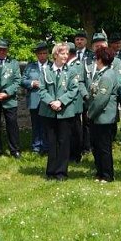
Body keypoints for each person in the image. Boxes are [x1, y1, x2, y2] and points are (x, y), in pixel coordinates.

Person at [39, 42, 81, 180]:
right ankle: (51, 171)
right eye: (63, 53)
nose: (65, 56)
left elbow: (74, 89)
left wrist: (61, 101)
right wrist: (51, 102)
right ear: (56, 54)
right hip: (49, 112)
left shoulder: (72, 71)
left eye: (67, 53)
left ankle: (61, 172)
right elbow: (42, 90)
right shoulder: (46, 71)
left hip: (65, 112)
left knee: (64, 142)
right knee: (51, 142)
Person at [86, 46, 121, 182]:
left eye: (96, 58)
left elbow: (101, 99)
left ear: (100, 59)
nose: (95, 60)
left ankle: (107, 175)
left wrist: (90, 113)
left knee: (104, 147)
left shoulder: (107, 75)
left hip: (103, 117)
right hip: (97, 116)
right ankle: (99, 172)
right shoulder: (100, 74)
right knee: (96, 146)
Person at [21, 41, 50, 154]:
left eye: (44, 53)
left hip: (48, 100)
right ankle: (36, 146)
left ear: (47, 54)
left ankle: (47, 146)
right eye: (40, 54)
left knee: (47, 124)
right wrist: (32, 83)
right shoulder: (30, 66)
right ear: (37, 55)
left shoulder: (52, 66)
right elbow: (22, 80)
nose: (42, 56)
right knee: (36, 124)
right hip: (34, 99)